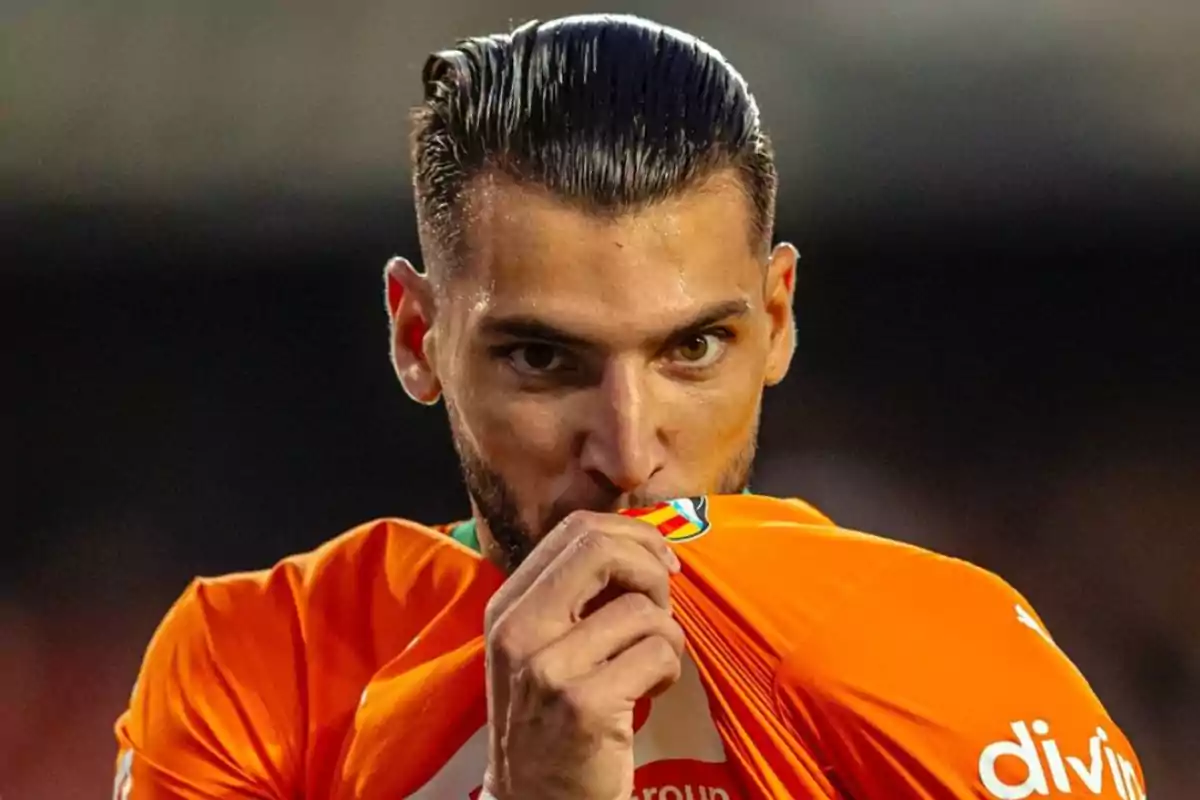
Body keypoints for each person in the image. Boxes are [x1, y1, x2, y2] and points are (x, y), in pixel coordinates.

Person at [113, 14, 1146, 800]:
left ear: (777, 320)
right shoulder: (259, 664)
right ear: (417, 336)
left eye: (692, 348)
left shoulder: (951, 653)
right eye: (542, 357)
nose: (628, 450)